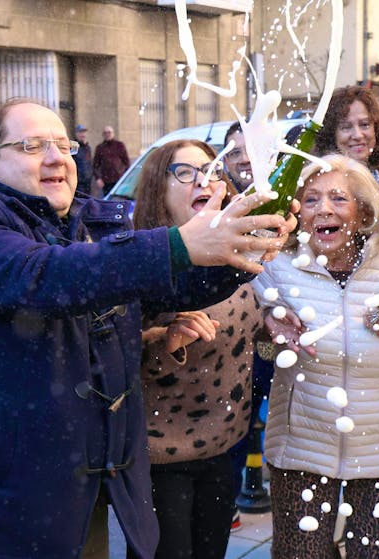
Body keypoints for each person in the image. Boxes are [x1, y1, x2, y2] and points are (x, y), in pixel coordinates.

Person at [0, 99, 295, 559]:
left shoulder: (85, 220)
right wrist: (178, 243)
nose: (58, 157)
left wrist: (244, 248)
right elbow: (41, 277)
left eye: (64, 145)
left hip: (79, 487)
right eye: (33, 145)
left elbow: (164, 288)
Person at [253, 154, 379, 559]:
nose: (323, 209)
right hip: (300, 449)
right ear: (297, 213)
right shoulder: (274, 266)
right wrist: (269, 332)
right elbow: (261, 355)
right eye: (310, 200)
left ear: (362, 212)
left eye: (339, 199)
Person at [132, 139, 260, 559]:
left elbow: (246, 331)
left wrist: (273, 327)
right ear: (158, 189)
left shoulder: (235, 252)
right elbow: (112, 355)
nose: (204, 179)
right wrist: (161, 340)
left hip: (224, 448)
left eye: (211, 169)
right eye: (185, 172)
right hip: (159, 459)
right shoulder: (142, 260)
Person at [313, 86, 379, 184]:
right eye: (346, 127)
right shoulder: (322, 184)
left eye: (364, 124)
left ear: (377, 129)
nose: (358, 135)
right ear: (330, 134)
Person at [94, 125, 131, 196]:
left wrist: (126, 178)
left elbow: (126, 162)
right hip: (105, 181)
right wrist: (98, 178)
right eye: (105, 133)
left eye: (109, 132)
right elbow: (95, 165)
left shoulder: (120, 145)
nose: (107, 134)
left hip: (119, 180)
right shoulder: (100, 148)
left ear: (113, 134)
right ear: (103, 135)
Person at [222, 121, 253, 191]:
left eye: (253, 150)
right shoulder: (219, 198)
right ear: (226, 162)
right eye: (235, 153)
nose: (245, 159)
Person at [73, 124, 93, 196]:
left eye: (84, 132)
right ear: (76, 134)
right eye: (80, 132)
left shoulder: (88, 148)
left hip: (88, 182)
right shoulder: (73, 147)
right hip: (78, 183)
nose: (83, 134)